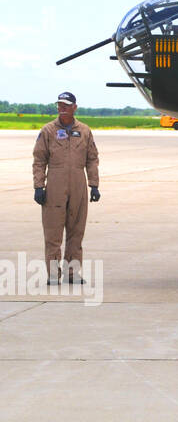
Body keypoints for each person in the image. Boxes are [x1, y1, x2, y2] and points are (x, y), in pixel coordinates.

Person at [32, 91, 100, 284]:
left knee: (76, 233)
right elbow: (39, 160)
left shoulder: (85, 131)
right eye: (59, 105)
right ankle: (53, 275)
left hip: (78, 186)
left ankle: (73, 274)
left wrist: (93, 185)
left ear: (74, 108)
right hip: (55, 186)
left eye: (65, 105)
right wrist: (39, 186)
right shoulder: (48, 131)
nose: (61, 108)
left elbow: (92, 159)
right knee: (53, 234)